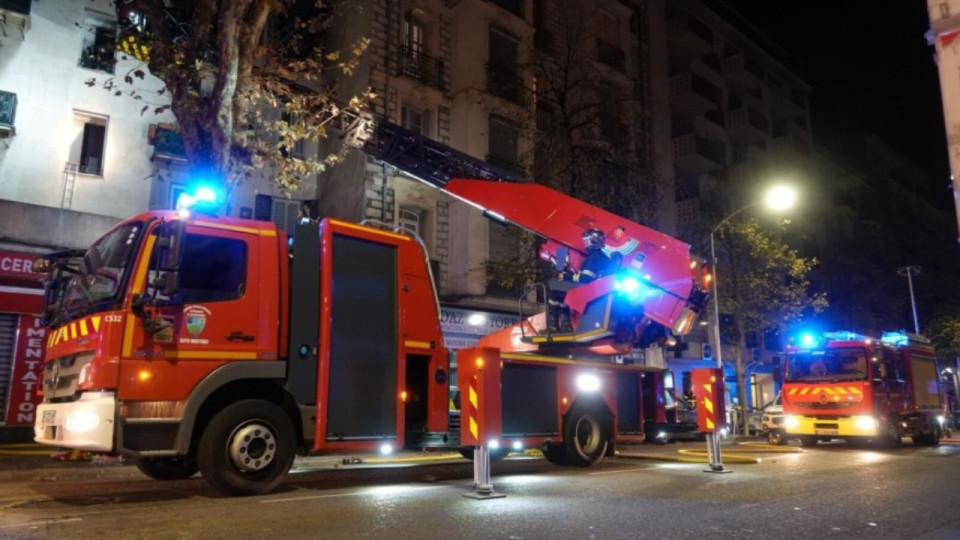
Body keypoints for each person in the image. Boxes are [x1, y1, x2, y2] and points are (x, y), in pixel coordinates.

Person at [548, 228, 611, 333]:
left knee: (554, 287)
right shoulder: (603, 257)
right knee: (562, 292)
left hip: (588, 291)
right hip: (596, 291)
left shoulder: (593, 257)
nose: (584, 242)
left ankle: (554, 325)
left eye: (586, 240)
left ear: (592, 241)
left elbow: (585, 278)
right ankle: (566, 325)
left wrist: (566, 276)